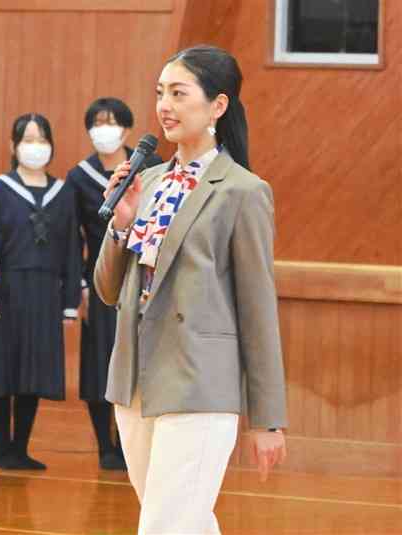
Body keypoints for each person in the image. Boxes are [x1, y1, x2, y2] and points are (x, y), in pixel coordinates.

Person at [94, 45, 288, 534]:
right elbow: (107, 288)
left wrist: (268, 420)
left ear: (217, 106)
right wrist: (120, 226)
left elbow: (258, 310)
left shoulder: (243, 192)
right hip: (135, 382)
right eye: (160, 93)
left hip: (200, 385)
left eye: (179, 93)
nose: (165, 105)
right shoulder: (149, 181)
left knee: (164, 526)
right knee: (186, 524)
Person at [66, 97, 161, 470]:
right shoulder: (79, 176)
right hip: (101, 277)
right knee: (98, 361)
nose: (103, 129)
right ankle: (104, 443)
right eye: (97, 122)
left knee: (135, 359)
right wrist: (81, 287)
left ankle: (130, 441)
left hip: (140, 275)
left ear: (126, 128)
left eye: (111, 121)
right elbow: (72, 238)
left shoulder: (149, 168)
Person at [0, 113, 81, 470]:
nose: (35, 147)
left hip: (44, 291)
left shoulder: (63, 193)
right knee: (4, 370)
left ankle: (21, 448)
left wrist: (70, 300)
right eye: (27, 139)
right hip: (7, 288)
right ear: (13, 146)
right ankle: (2, 448)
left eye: (42, 140)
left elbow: (72, 247)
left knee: (32, 370)